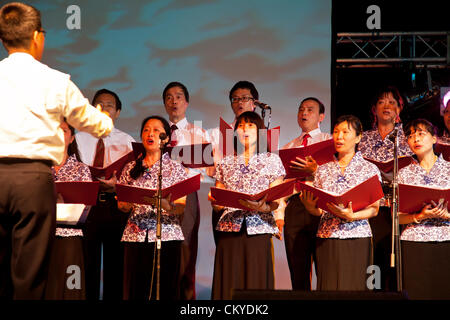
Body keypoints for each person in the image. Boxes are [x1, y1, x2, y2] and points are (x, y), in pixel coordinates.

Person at [0, 2, 113, 300]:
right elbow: (98, 126)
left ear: (3, 39)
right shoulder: (55, 81)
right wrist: (101, 115)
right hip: (33, 181)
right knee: (30, 272)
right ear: (38, 37)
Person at [209, 111, 285, 300]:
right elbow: (218, 199)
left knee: (256, 280)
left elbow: (276, 199)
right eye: (241, 126)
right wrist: (216, 202)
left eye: (250, 125)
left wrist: (264, 207)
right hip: (229, 228)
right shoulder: (226, 162)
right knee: (228, 282)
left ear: (259, 132)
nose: (244, 129)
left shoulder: (271, 160)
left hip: (259, 227)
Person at [300, 115, 381, 290]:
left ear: (358, 137)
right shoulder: (323, 168)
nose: (339, 137)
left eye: (345, 132)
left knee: (357, 287)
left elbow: (374, 209)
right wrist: (309, 207)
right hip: (327, 236)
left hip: (357, 236)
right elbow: (319, 211)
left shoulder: (369, 169)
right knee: (329, 286)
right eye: (336, 132)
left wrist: (352, 216)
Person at [117, 116, 188, 300]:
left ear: (166, 138)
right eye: (147, 129)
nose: (150, 134)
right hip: (136, 235)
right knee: (137, 288)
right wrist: (128, 202)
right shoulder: (130, 167)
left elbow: (180, 208)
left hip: (167, 235)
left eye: (157, 130)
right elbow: (122, 206)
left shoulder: (176, 169)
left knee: (165, 288)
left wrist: (167, 206)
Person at [76, 88, 135, 300]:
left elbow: (133, 178)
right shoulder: (78, 139)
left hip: (115, 207)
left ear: (118, 112)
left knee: (116, 264)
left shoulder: (128, 141)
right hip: (87, 208)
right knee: (86, 263)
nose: (105, 108)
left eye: (110, 105)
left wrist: (117, 185)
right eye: (99, 104)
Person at [357, 85, 413, 291]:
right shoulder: (362, 138)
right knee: (374, 260)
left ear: (400, 108)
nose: (387, 106)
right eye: (381, 102)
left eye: (392, 102)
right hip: (372, 207)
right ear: (374, 109)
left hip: (400, 208)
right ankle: (374, 294)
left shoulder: (409, 137)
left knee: (397, 261)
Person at [275, 97, 331, 291]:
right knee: (298, 269)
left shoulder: (329, 142)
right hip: (296, 206)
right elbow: (284, 184)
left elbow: (337, 177)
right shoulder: (289, 147)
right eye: (301, 110)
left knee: (325, 268)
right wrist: (279, 215)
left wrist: (316, 171)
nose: (304, 113)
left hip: (320, 204)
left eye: (310, 109)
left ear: (321, 116)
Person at [162, 82, 210, 300]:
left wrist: (188, 160)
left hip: (187, 193)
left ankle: (186, 300)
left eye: (179, 97)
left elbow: (210, 168)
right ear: (164, 103)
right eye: (169, 97)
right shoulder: (158, 130)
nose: (174, 101)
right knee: (161, 250)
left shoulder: (197, 132)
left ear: (187, 102)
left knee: (185, 248)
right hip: (160, 195)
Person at [398, 118, 450, 300]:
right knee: (416, 293)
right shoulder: (404, 173)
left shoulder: (449, 169)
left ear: (435, 138)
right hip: (414, 241)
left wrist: (447, 215)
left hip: (445, 239)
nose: (415, 139)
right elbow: (397, 217)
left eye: (421, 134)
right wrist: (418, 216)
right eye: (411, 136)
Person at [45, 120, 92, 300]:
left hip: (70, 236)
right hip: (41, 235)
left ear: (71, 138)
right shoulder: (39, 168)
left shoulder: (81, 170)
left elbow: (85, 209)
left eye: (64, 131)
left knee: (71, 286)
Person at [208, 81, 259, 244]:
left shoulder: (263, 134)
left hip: (255, 203)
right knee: (226, 252)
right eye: (235, 99)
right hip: (224, 201)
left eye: (244, 98)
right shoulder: (218, 133)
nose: (239, 102)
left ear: (255, 103)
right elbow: (210, 169)